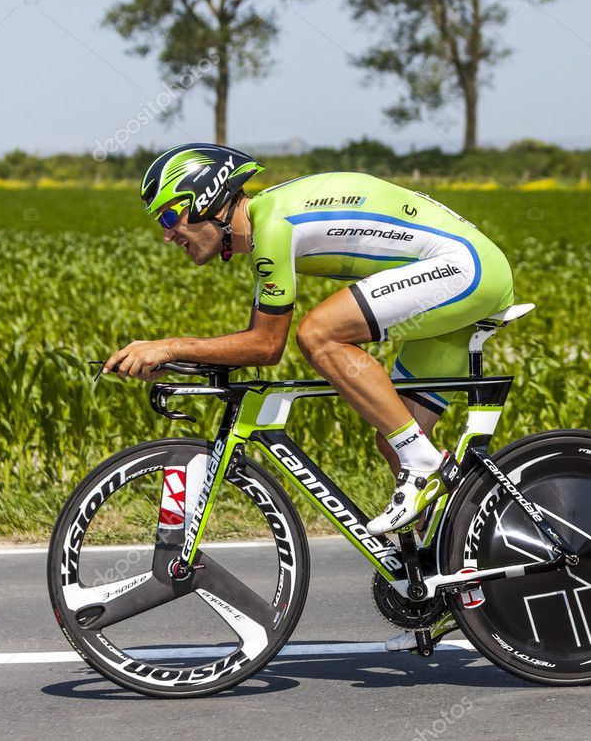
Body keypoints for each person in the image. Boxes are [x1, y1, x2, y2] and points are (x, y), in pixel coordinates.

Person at [103, 143, 515, 537]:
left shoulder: (273, 225)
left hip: (465, 268)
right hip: (464, 271)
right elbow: (252, 345)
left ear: (206, 198)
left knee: (319, 334)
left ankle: (424, 466)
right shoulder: (266, 232)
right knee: (395, 438)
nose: (166, 234)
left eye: (169, 218)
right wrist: (173, 363)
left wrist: (171, 346)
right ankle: (454, 563)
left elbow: (267, 347)